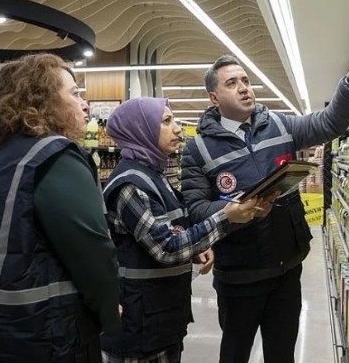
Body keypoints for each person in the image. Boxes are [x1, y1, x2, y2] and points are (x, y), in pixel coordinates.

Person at [180, 51, 349, 363]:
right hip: (238, 275)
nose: (244, 87)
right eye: (232, 83)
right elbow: (195, 208)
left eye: (246, 81)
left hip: (286, 269)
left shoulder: (279, 124)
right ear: (214, 97)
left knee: (282, 353)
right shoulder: (198, 149)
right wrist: (228, 213)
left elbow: (329, 123)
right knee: (234, 353)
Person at [0, 53, 121, 363]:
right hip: (43, 336)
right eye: (75, 93)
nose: (85, 105)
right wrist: (109, 312)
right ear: (42, 101)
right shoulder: (55, 156)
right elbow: (93, 251)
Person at [99, 97, 260, 363]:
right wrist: (226, 218)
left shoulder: (154, 175)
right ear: (141, 130)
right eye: (166, 121)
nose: (178, 129)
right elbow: (167, 249)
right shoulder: (131, 185)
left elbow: (169, 231)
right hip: (138, 327)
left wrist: (197, 248)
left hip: (160, 317)